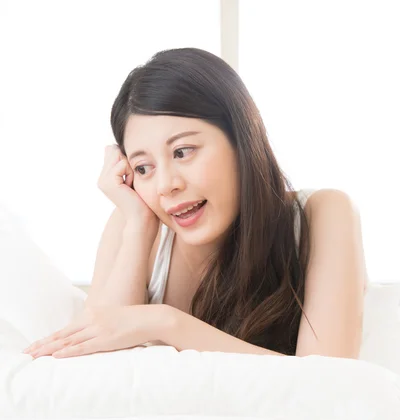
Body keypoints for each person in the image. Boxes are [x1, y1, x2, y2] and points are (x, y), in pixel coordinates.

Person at [25, 48, 368, 360]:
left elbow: (329, 378)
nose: (166, 185)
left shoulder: (322, 214)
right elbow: (93, 359)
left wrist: (165, 323)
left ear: (241, 138)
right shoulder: (134, 222)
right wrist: (140, 228)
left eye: (182, 152)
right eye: (143, 167)